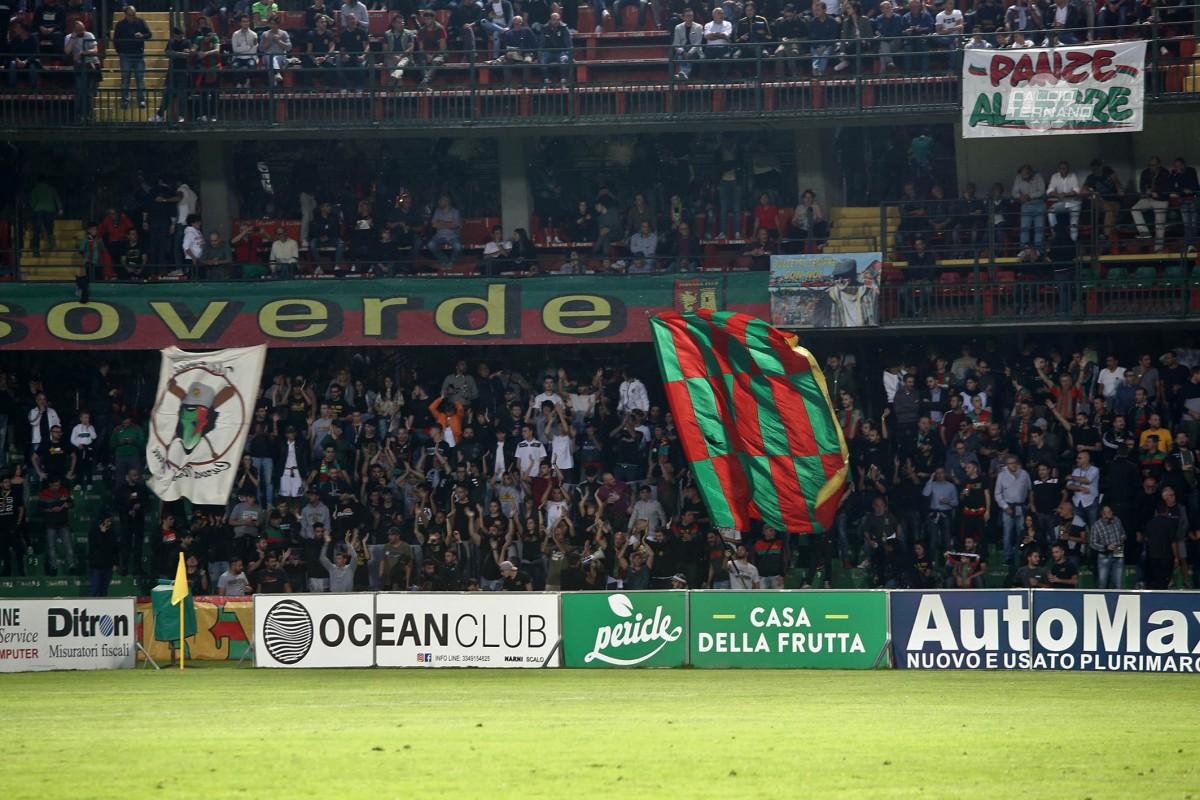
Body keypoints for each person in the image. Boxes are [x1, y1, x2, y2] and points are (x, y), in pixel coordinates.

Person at [113, 5, 151, 109]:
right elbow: (116, 40)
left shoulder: (140, 22)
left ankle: (141, 100)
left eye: (133, 14)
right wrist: (119, 52)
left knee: (140, 79)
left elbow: (149, 34)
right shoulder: (120, 25)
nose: (132, 16)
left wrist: (142, 35)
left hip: (138, 54)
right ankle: (125, 100)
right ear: (125, 14)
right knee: (125, 79)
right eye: (130, 14)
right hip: (125, 55)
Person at [1131, 156, 1171, 252]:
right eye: (1150, 165)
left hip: (1161, 200)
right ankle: (1144, 233)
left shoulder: (1165, 173)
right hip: (1149, 198)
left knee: (1159, 225)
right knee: (1134, 209)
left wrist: (1157, 193)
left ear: (1158, 165)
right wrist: (1146, 192)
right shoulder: (1145, 172)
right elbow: (1142, 187)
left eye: (1153, 165)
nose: (1151, 167)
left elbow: (1167, 189)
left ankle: (1158, 248)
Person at [63, 19, 98, 122]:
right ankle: (79, 116)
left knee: (89, 93)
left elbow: (95, 50)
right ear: (74, 30)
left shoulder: (89, 35)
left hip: (90, 64)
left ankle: (88, 116)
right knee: (79, 92)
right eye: (79, 30)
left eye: (83, 29)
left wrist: (83, 53)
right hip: (79, 66)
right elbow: (67, 51)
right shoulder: (69, 37)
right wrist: (73, 38)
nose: (82, 31)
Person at [1090, 504, 1125, 589]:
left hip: (1118, 552)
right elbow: (1092, 543)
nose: (1111, 513)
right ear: (1103, 514)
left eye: (1111, 511)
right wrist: (1106, 547)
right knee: (1103, 584)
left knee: (1118, 584)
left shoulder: (1116, 520)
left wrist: (1123, 538)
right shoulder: (1096, 525)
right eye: (1109, 512)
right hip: (1104, 556)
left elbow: (1123, 532)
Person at [426, 195, 463, 268]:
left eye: (441, 200)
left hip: (452, 236)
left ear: (447, 202)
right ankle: (444, 260)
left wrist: (440, 222)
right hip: (439, 236)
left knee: (458, 247)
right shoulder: (437, 211)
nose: (439, 202)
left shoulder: (455, 212)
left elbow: (454, 225)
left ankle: (451, 262)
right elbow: (434, 225)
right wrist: (448, 224)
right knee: (430, 245)